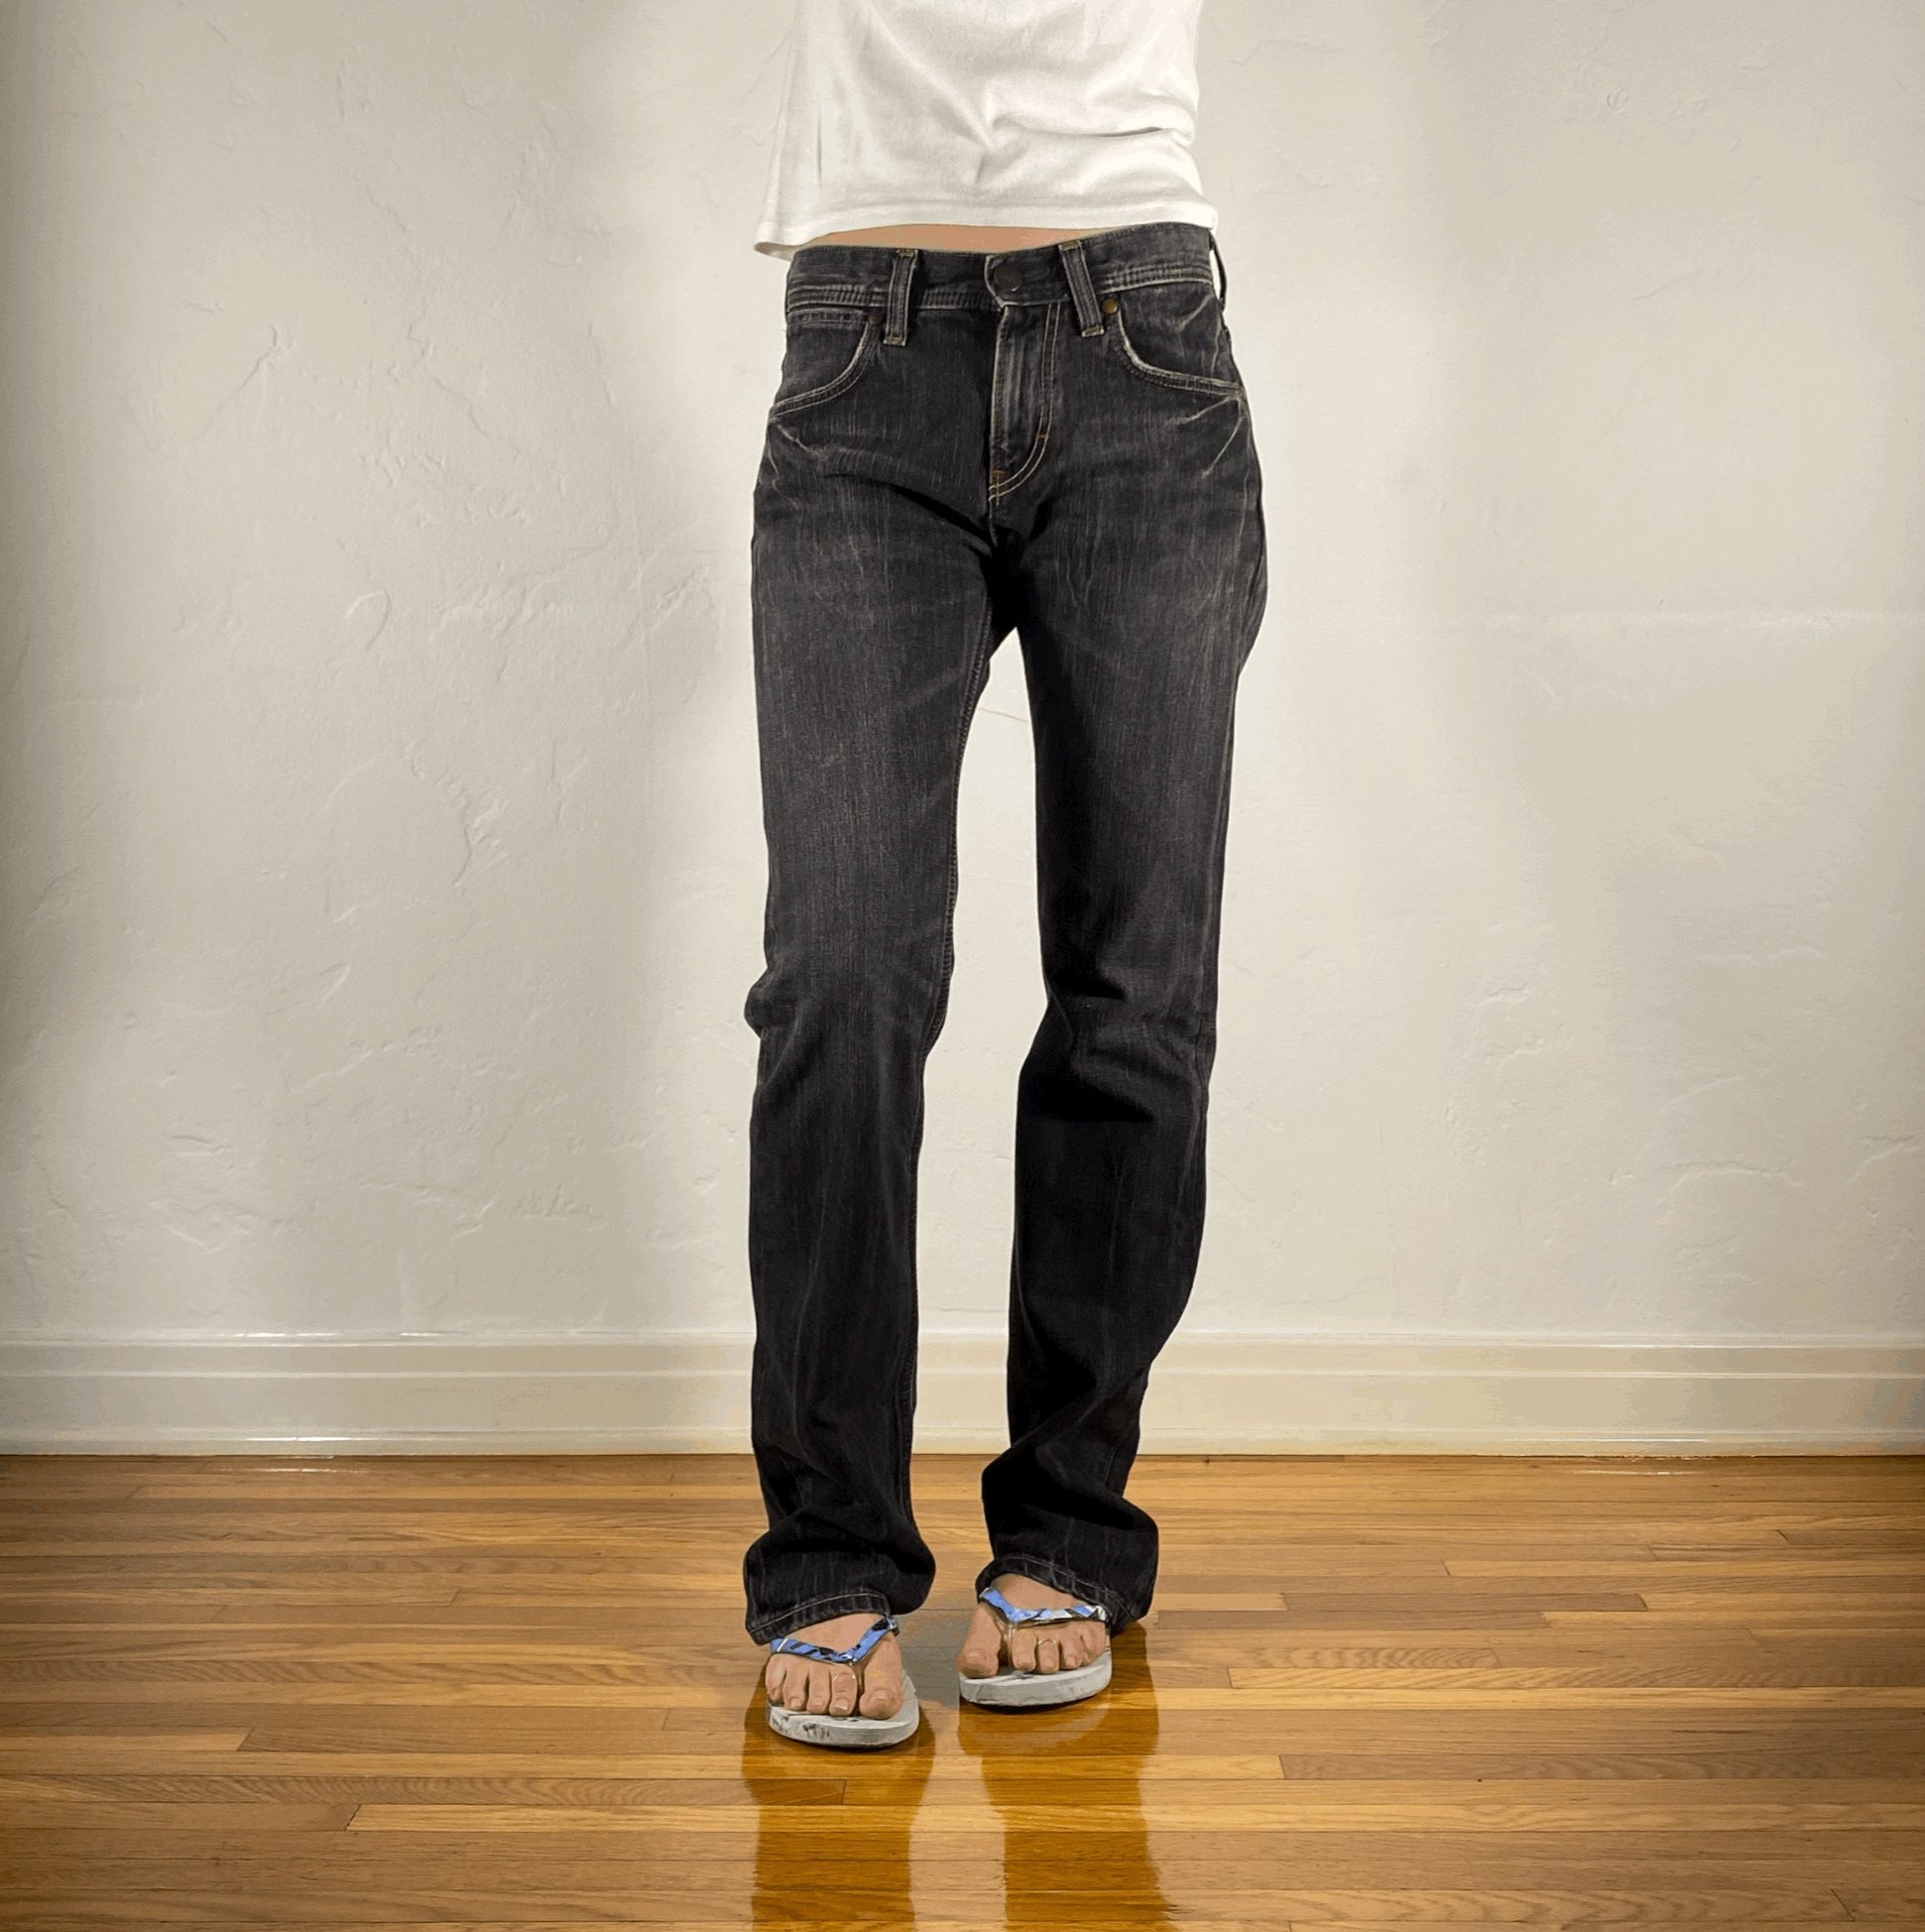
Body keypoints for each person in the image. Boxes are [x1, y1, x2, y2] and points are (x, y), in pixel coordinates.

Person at [742, 0, 1266, 1749]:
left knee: (1135, 985)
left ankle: (1068, 1529)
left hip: (1142, 341)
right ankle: (828, 1545)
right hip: (862, 348)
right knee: (841, 974)